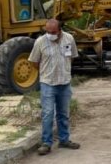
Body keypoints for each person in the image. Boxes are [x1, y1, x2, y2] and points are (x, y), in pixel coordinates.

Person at [29, 19, 81, 156]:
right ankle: (46, 142)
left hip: (64, 82)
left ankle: (64, 140)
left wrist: (64, 69)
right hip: (48, 83)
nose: (50, 34)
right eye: (47, 31)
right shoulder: (40, 41)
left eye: (53, 32)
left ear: (60, 30)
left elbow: (72, 57)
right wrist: (45, 72)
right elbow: (34, 61)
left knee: (63, 114)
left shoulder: (69, 39)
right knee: (47, 114)